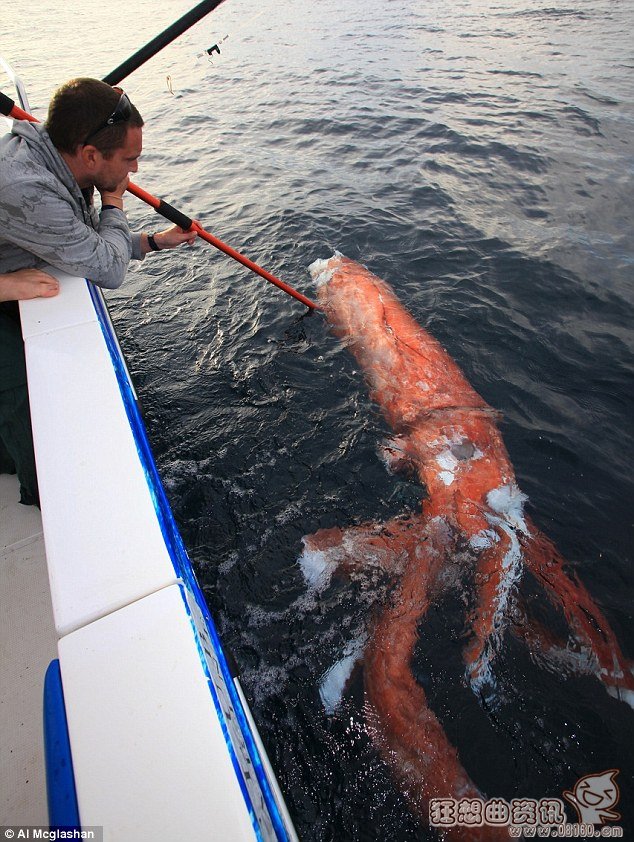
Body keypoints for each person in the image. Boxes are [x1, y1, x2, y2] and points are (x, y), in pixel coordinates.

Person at [0, 78, 197, 506]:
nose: (135, 172)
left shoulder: (56, 164)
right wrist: (114, 203)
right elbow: (107, 268)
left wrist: (151, 242)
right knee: (21, 400)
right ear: (90, 155)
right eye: (130, 159)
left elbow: (83, 242)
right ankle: (53, 500)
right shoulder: (27, 186)